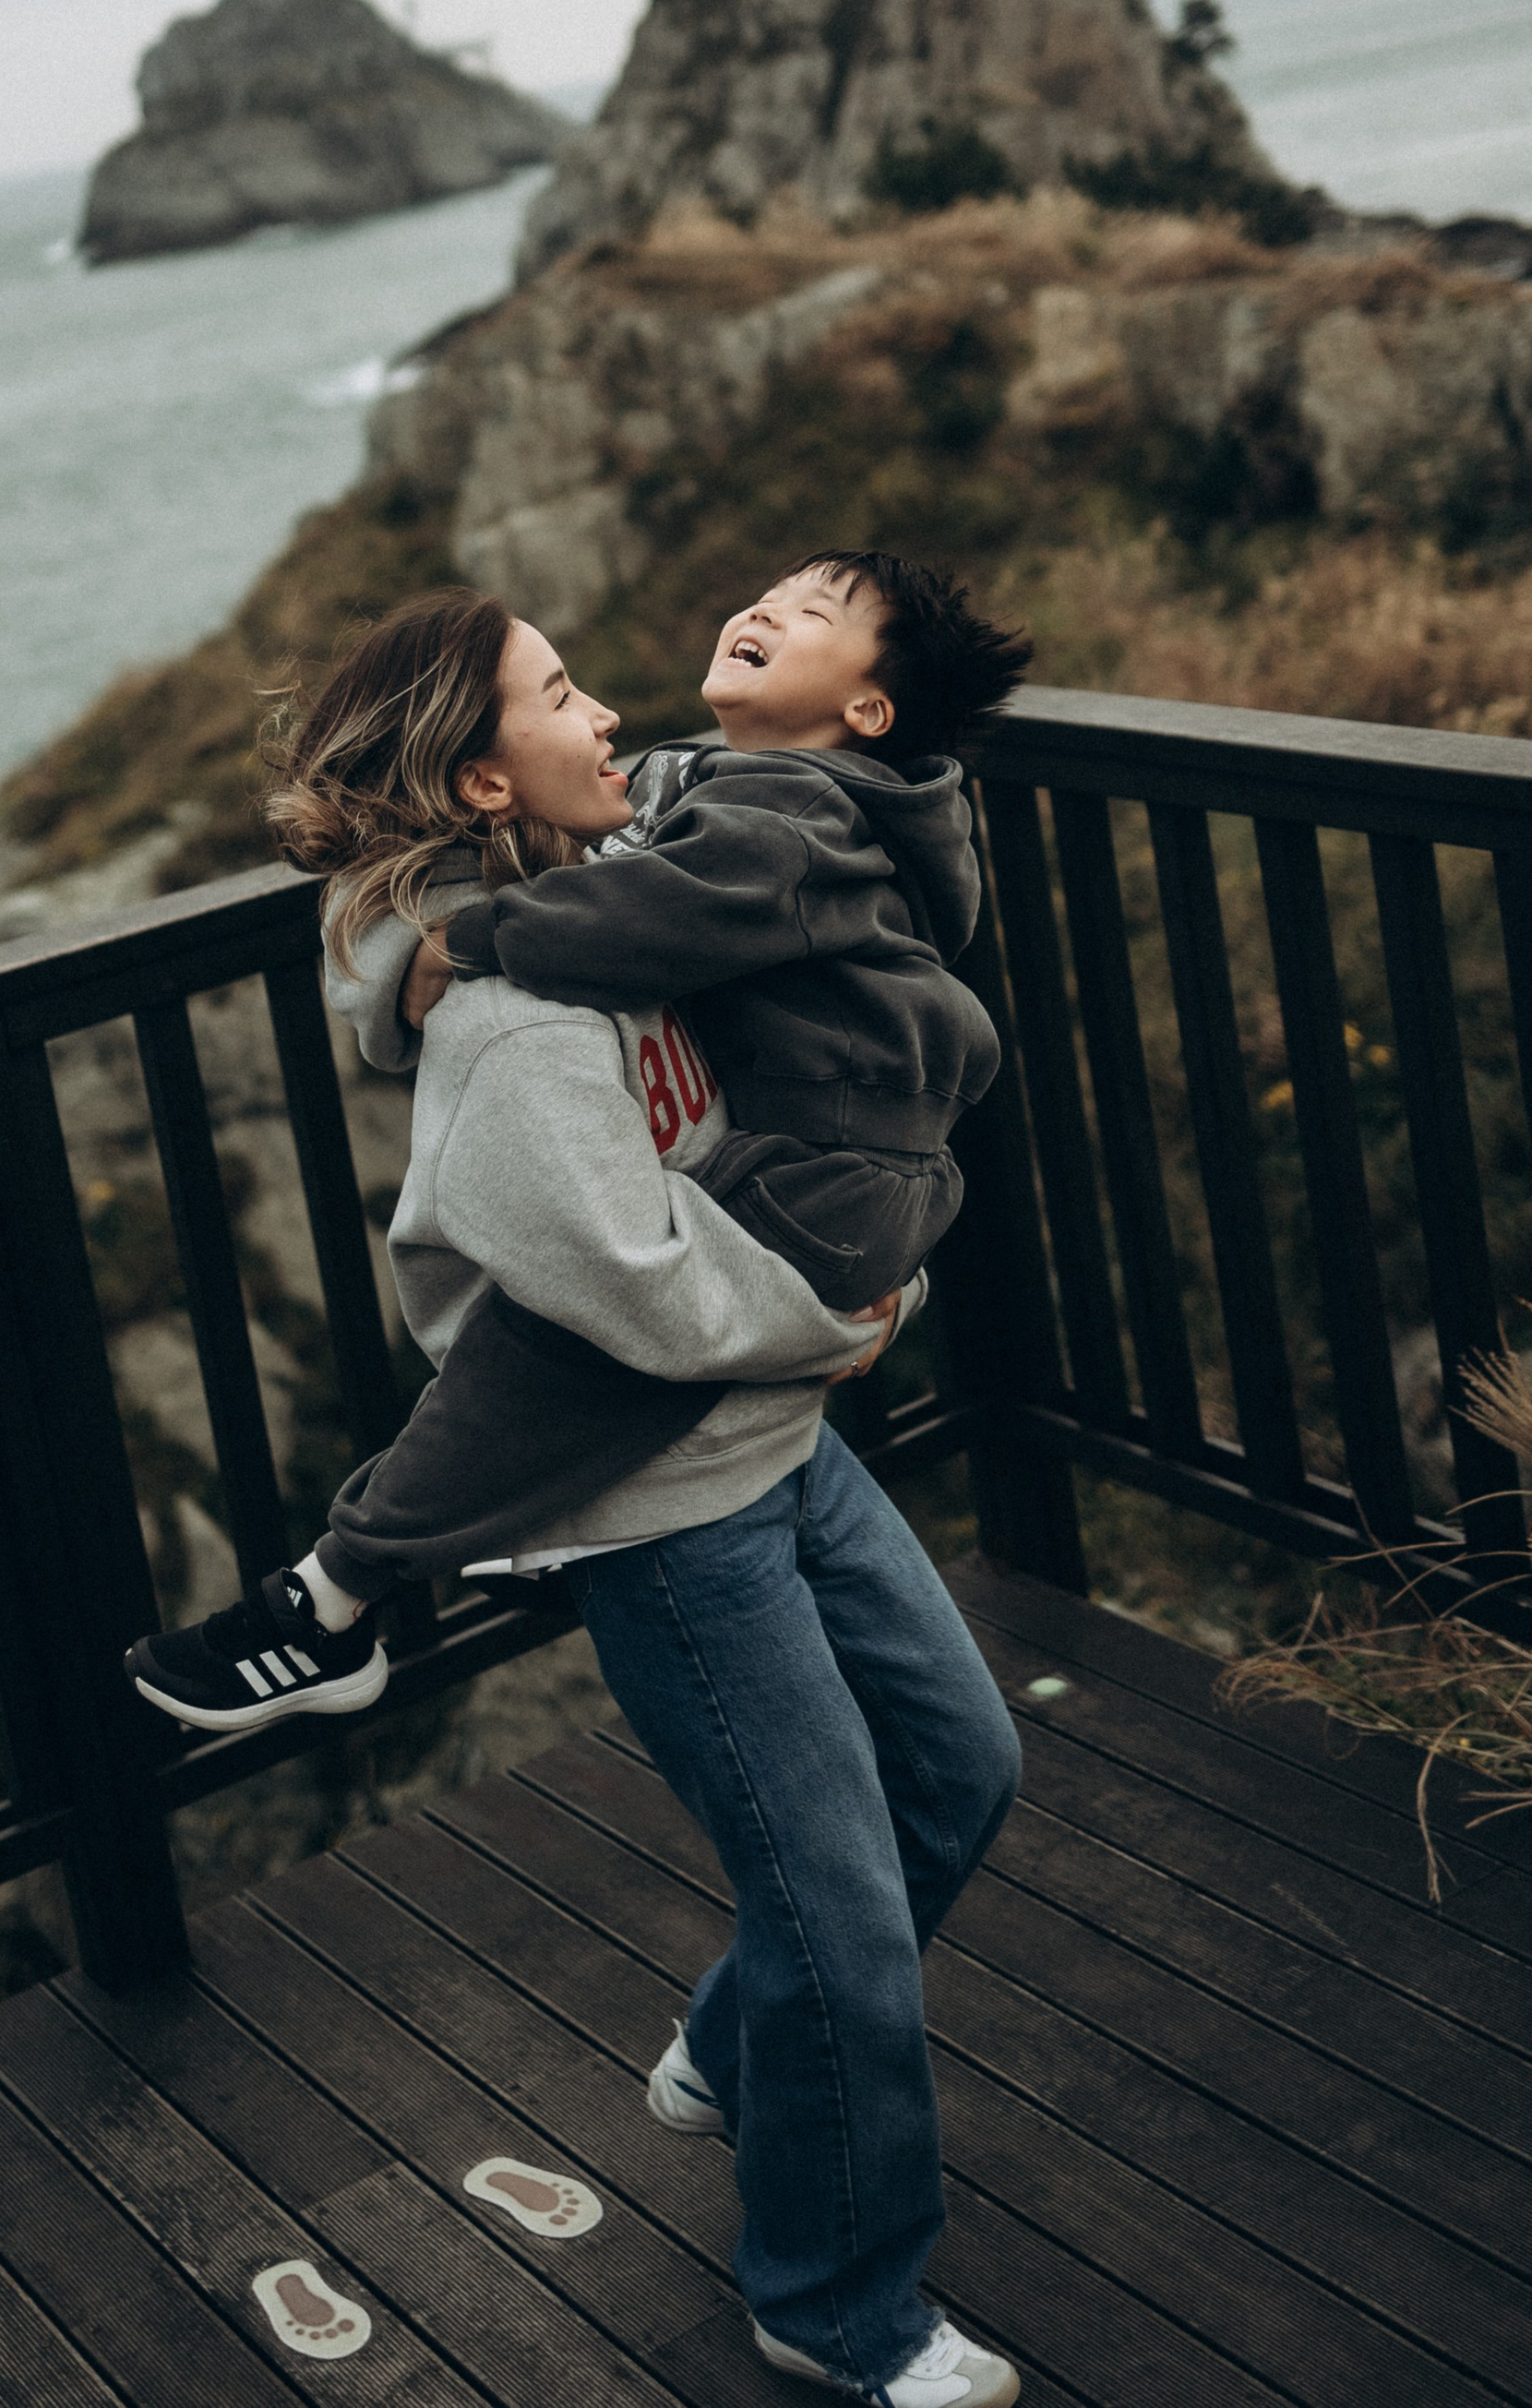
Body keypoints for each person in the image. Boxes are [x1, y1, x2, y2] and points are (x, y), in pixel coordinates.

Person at [126, 590, 1025, 2406]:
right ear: (482, 778)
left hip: (779, 1450)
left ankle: (740, 2050)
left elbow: (737, 939)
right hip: (668, 1518)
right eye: (559, 696)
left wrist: (854, 1295)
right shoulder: (520, 1022)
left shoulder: (625, 895)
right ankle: (835, 2304)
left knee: (959, 1771)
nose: (605, 712)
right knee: (842, 1927)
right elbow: (627, 1283)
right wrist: (850, 1315)